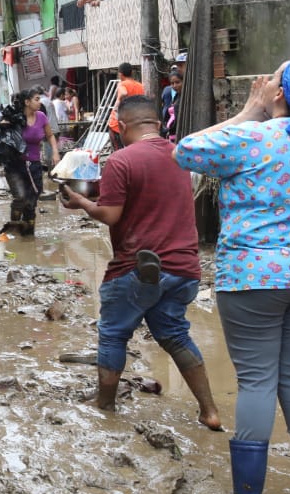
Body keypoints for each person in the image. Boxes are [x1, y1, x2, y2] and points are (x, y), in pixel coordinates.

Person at [175, 58, 290, 494]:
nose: (265, 84)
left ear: (280, 95)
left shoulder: (252, 138)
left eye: (271, 80)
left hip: (255, 274)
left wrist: (248, 111)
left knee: (256, 382)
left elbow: (187, 151)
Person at [59, 95, 224, 430]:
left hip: (139, 269)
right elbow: (145, 197)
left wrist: (81, 202)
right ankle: (209, 410)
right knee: (176, 336)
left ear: (120, 126)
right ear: (158, 123)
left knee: (113, 334)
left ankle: (105, 405)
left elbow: (110, 213)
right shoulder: (181, 156)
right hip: (184, 269)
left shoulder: (121, 160)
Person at [0, 87, 58, 236]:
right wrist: (1, 125)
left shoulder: (42, 116)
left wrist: (55, 153)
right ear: (27, 102)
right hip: (14, 166)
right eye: (36, 99)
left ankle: (28, 235)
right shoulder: (14, 116)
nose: (39, 102)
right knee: (20, 197)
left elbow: (50, 136)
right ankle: (15, 229)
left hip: (34, 166)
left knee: (31, 203)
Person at [108, 62, 145, 148]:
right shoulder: (140, 86)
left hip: (117, 125)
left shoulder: (122, 84)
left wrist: (116, 105)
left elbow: (124, 93)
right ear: (131, 73)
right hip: (132, 124)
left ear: (120, 74)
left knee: (119, 153)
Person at [161, 69, 183, 140]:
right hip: (172, 135)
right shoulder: (176, 96)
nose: (174, 86)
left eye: (177, 82)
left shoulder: (186, 99)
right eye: (172, 83)